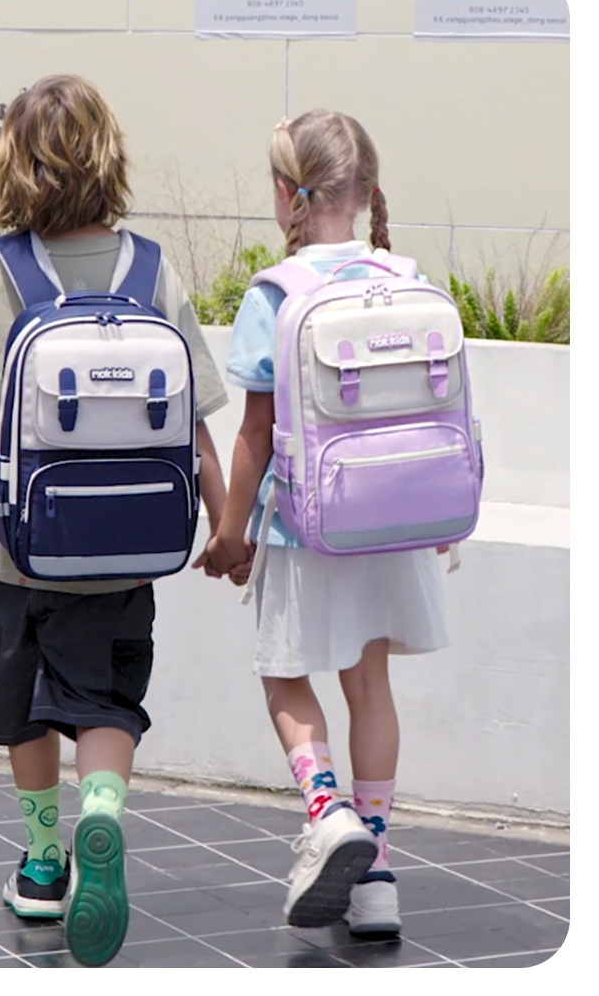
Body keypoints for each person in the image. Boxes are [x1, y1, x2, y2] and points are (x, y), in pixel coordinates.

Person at [0, 74, 231, 968]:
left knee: (23, 703)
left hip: (22, 548)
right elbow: (197, 421)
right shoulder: (152, 272)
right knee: (108, 697)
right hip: (130, 548)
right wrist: (225, 522)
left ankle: (46, 864)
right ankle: (104, 811)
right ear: (109, 159)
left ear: (9, 166)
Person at [195, 110, 450, 937]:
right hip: (395, 519)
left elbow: (255, 433)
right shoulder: (404, 277)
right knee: (369, 683)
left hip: (305, 527)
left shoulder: (276, 293)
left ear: (285, 193)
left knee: (284, 677)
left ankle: (326, 810)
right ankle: (376, 872)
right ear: (367, 191)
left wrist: (230, 535)